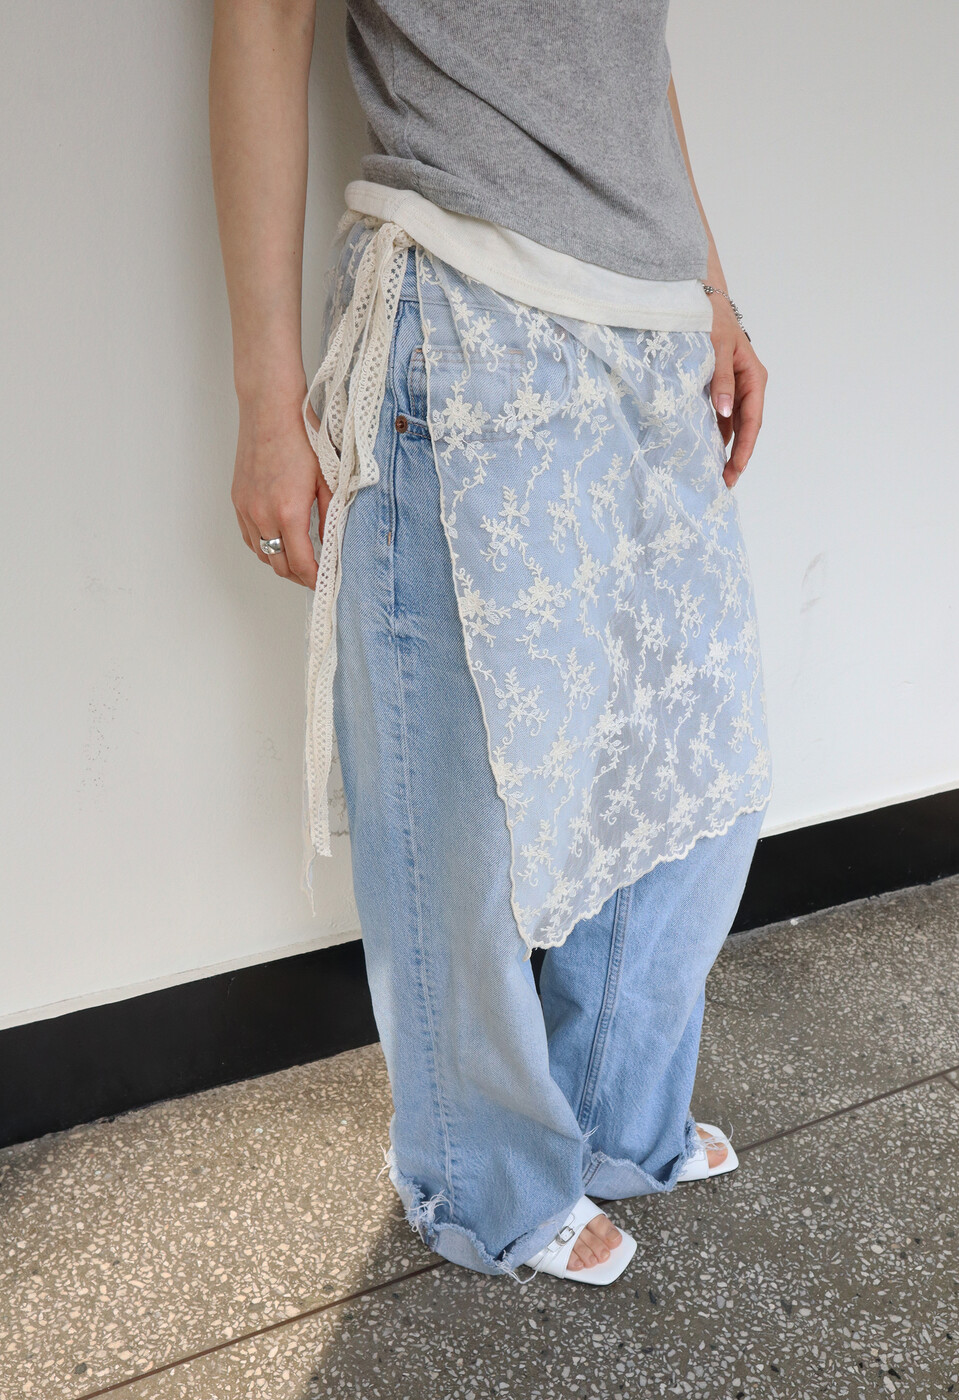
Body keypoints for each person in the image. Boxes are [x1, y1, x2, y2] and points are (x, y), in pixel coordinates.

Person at [209, 0, 770, 1284]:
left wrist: (713, 293)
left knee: (693, 764)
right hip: (466, 305)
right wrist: (265, 403)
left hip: (651, 324)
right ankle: (484, 1181)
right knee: (460, 806)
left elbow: (633, 58)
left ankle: (613, 1115)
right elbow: (264, 17)